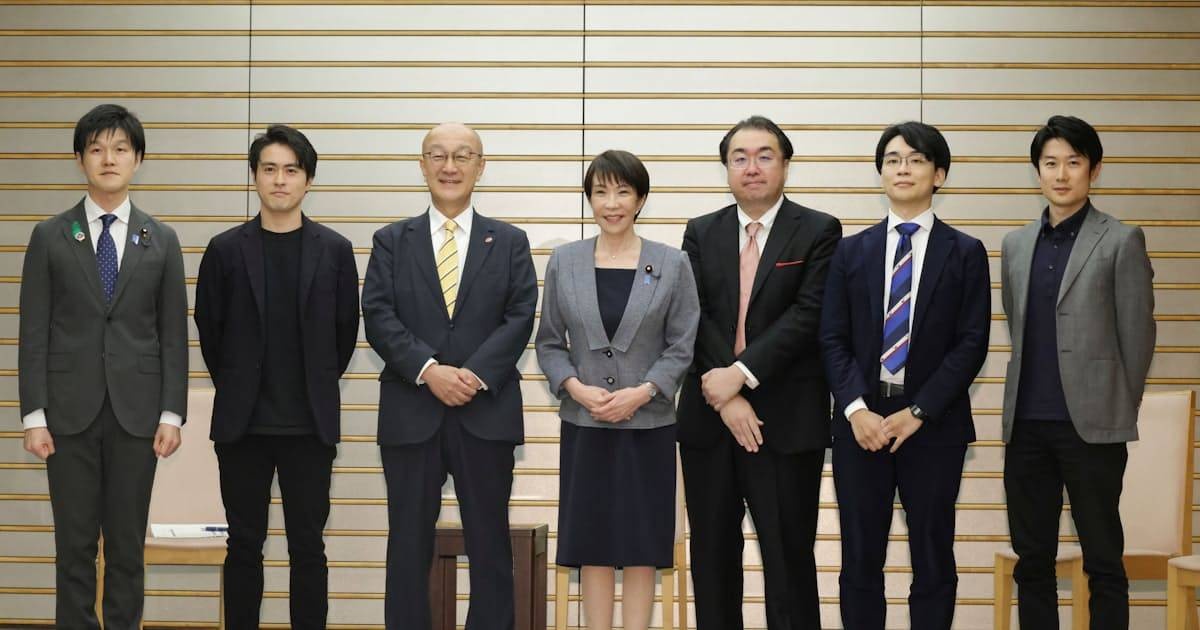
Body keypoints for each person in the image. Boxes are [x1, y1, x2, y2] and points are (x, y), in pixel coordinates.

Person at [362, 122, 538, 630]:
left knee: (490, 545)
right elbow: (378, 314)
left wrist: (473, 375)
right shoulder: (391, 241)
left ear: (481, 167)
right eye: (437, 155)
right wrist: (429, 370)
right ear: (422, 166)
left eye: (463, 156)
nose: (450, 166)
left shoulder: (510, 241)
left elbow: (520, 316)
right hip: (411, 410)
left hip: (486, 411)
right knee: (407, 546)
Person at [18, 103, 188, 628]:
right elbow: (33, 331)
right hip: (67, 416)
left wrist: (172, 414)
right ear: (80, 160)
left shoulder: (161, 239)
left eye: (119, 149)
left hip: (137, 417)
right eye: (96, 149)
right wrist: (33, 416)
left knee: (126, 549)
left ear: (138, 159)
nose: (108, 159)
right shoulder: (50, 235)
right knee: (73, 549)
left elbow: (173, 335)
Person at [818, 121, 991, 629]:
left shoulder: (966, 252)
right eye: (893, 160)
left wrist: (919, 411)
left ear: (939, 174)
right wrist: (856, 410)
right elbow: (832, 338)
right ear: (880, 173)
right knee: (860, 560)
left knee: (933, 558)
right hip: (862, 425)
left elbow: (971, 343)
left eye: (916, 160)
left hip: (933, 426)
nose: (903, 169)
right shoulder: (851, 251)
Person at [677, 115, 842, 629]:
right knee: (712, 560)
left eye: (764, 156)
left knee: (788, 560)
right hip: (710, 420)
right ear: (726, 168)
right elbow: (691, 314)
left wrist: (742, 374)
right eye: (740, 158)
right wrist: (726, 395)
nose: (752, 167)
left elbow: (808, 315)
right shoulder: (700, 231)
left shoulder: (819, 230)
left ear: (785, 165)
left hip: (785, 423)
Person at [194, 125, 360, 629]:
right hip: (242, 426)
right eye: (269, 169)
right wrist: (238, 384)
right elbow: (210, 329)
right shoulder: (224, 249)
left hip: (309, 425)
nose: (280, 180)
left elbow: (344, 334)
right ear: (254, 176)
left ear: (308, 180)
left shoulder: (335, 250)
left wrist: (315, 383)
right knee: (243, 545)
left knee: (308, 547)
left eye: (291, 170)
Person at [1001, 115, 1155, 629]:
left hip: (1093, 429)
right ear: (1037, 172)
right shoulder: (1016, 244)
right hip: (1026, 426)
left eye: (1073, 162)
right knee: (1033, 562)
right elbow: (1018, 326)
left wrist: (1116, 407)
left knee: (1103, 560)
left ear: (1094, 169)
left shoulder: (1121, 239)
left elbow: (1138, 336)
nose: (1061, 174)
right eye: (1050, 163)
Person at [535, 150, 699, 630]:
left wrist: (643, 392)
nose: (612, 203)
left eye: (623, 191)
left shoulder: (672, 263)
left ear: (641, 199)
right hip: (584, 422)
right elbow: (549, 342)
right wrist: (575, 388)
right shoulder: (564, 262)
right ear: (589, 198)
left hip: (649, 424)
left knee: (643, 544)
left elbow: (682, 344)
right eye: (601, 192)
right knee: (593, 543)